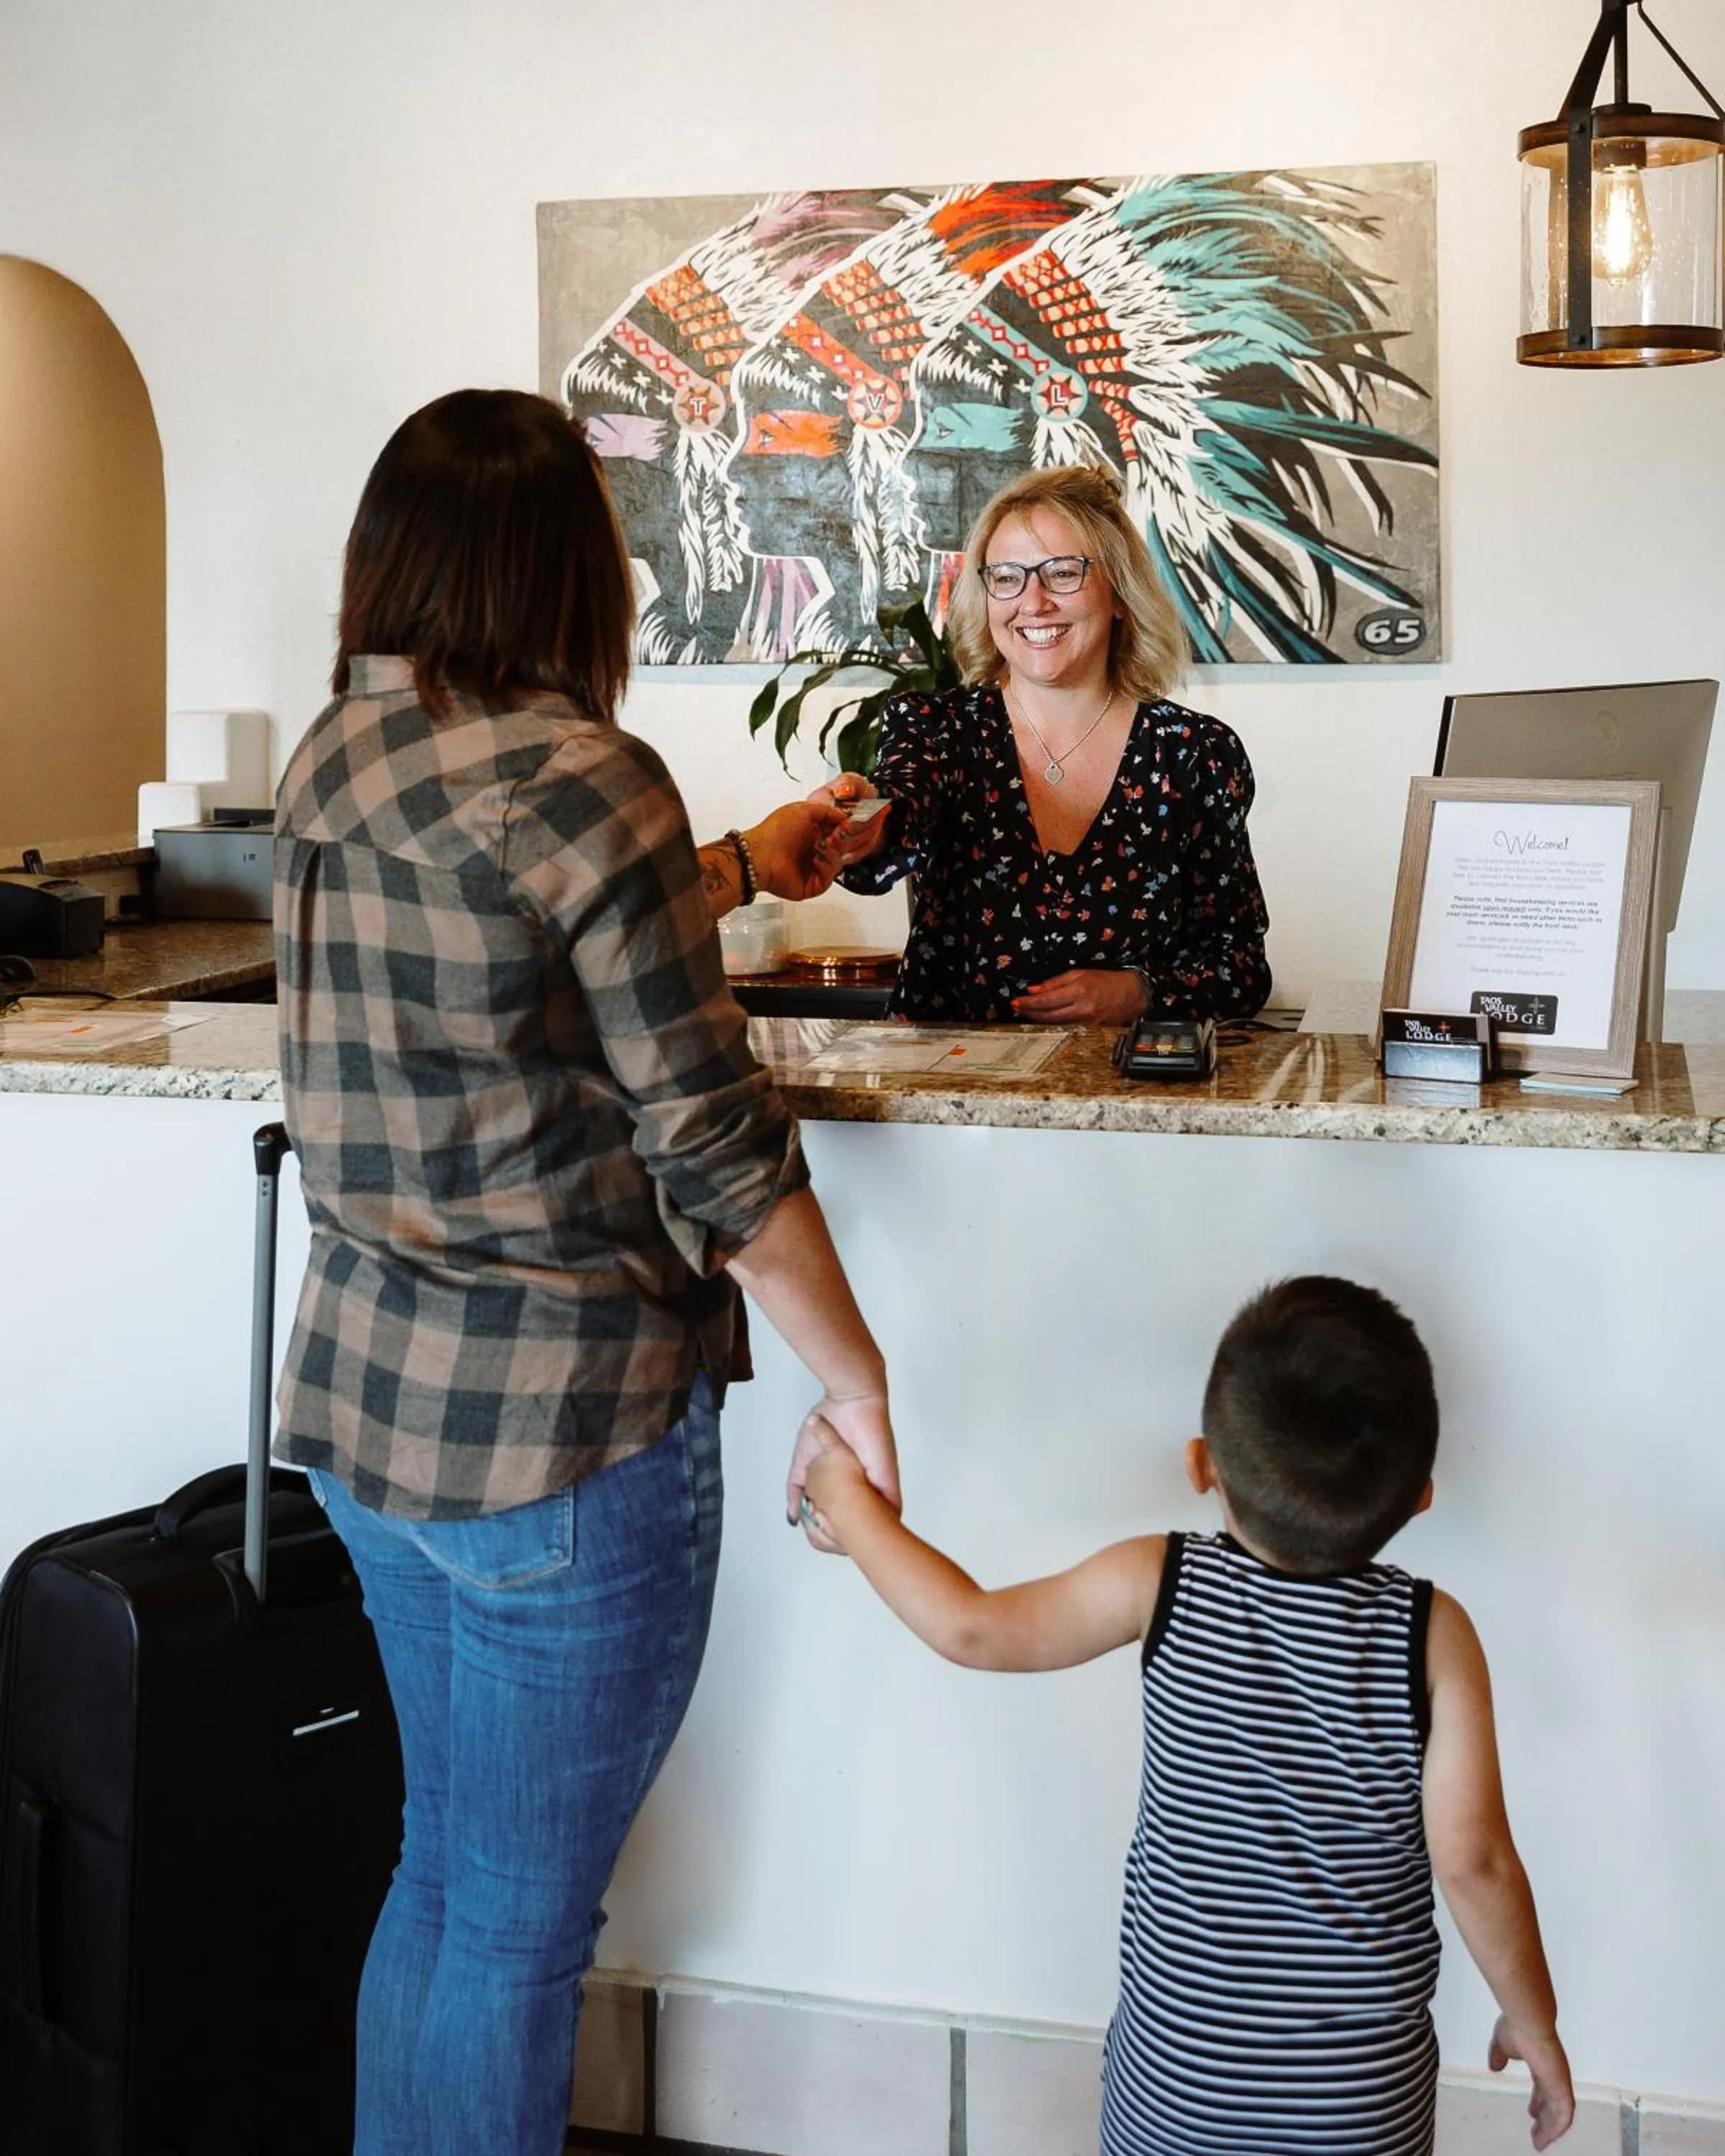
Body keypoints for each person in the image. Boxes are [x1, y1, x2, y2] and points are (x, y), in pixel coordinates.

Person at [272, 387, 898, 2156]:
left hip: (372, 1419)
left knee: (445, 1882)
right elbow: (714, 1146)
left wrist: (732, 869)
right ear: (573, 572)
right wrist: (853, 1376)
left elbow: (504, 945)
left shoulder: (337, 752)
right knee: (524, 1933)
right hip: (561, 1438)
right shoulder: (584, 774)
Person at [799, 1276, 1575, 2155]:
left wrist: (848, 1498)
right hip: (1355, 2106)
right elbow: (1474, 1862)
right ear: (1421, 1497)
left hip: (1176, 2089)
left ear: (1202, 1464)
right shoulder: (1432, 1638)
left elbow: (972, 1628)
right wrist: (1533, 2021)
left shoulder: (1161, 1583)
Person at [822, 461, 1272, 1025]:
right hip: (952, 1090)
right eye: (1007, 576)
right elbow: (896, 821)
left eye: (1062, 573)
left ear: (1118, 593)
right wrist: (860, 828)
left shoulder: (1194, 752)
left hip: (1126, 1090)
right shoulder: (937, 729)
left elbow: (1240, 965)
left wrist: (1139, 992)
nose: (1033, 603)